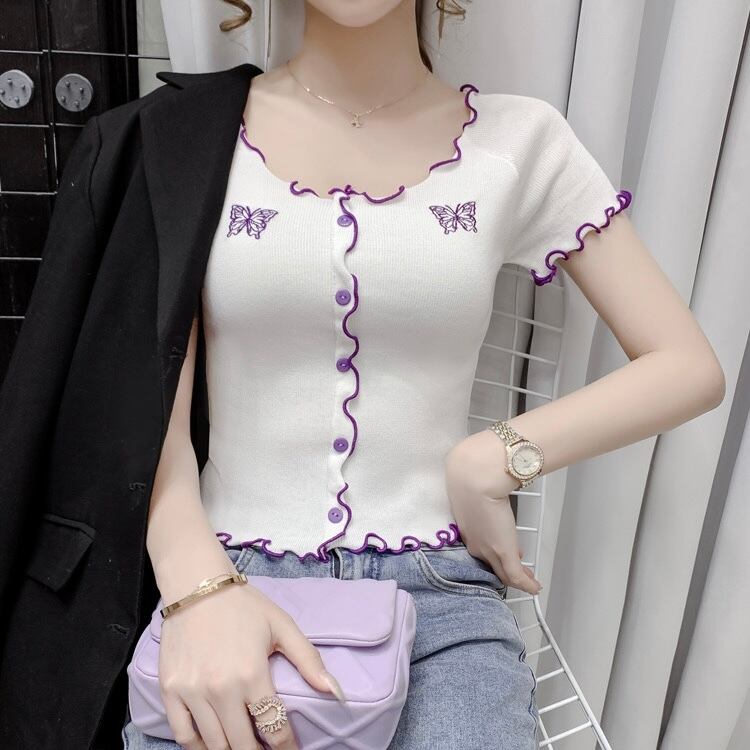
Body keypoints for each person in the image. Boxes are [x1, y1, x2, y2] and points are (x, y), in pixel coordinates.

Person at [0, 2, 725, 749]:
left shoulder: (519, 142)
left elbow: (686, 365)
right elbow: (145, 410)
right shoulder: (186, 137)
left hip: (441, 605)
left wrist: (492, 456)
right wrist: (199, 589)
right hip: (226, 584)